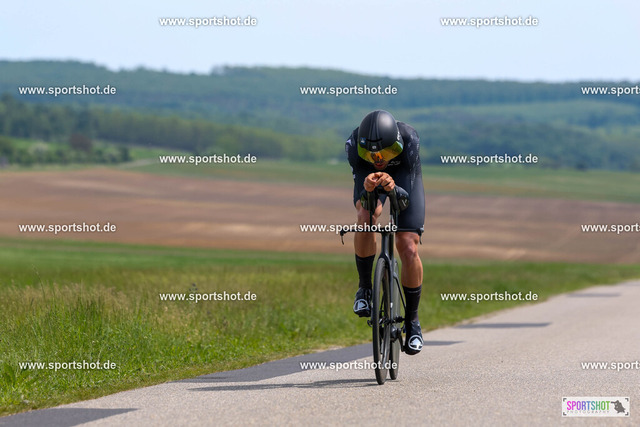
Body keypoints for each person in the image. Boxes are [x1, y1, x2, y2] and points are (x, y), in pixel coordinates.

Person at [345, 110, 425, 355]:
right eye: (372, 155)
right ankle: (365, 288)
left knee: (407, 244)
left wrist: (394, 187)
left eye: (387, 153)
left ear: (397, 144)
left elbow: (405, 201)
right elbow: (365, 204)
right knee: (365, 217)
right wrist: (369, 189)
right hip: (367, 177)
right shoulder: (354, 145)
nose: (379, 159)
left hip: (404, 177)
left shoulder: (409, 139)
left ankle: (412, 321)